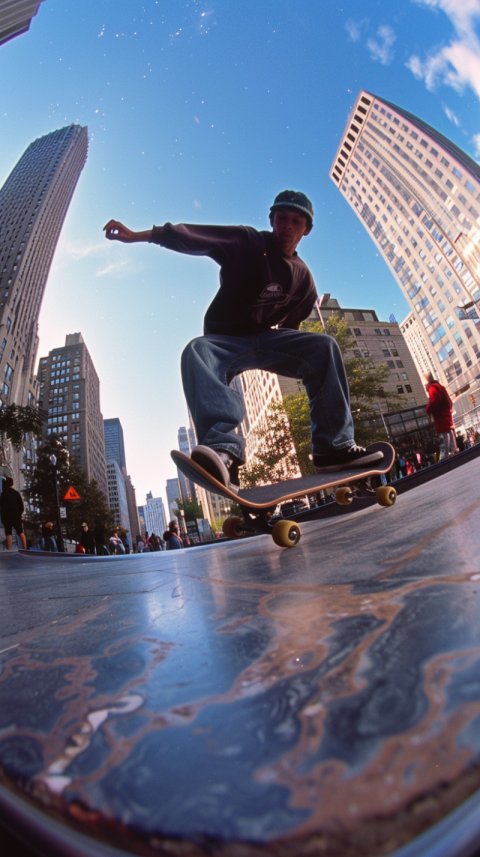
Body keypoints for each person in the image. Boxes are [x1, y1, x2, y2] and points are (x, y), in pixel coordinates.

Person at [104, 190, 384, 490]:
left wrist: (288, 355)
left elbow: (293, 328)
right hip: (226, 342)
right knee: (196, 351)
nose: (286, 226)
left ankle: (333, 447)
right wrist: (139, 236)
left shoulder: (304, 279)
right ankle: (223, 452)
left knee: (323, 347)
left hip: (267, 339)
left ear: (307, 229)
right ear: (272, 220)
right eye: (281, 218)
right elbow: (194, 236)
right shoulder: (248, 242)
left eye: (295, 221)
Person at [424, 372, 458, 458]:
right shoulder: (440, 386)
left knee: (444, 435)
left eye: (425, 383)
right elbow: (449, 401)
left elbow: (435, 400)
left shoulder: (433, 388)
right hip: (445, 415)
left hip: (441, 416)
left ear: (428, 382)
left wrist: (428, 409)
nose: (424, 386)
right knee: (449, 432)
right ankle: (453, 451)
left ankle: (447, 455)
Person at [0, 476, 27, 550]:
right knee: (20, 532)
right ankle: (25, 548)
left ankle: (9, 549)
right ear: (12, 484)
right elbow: (21, 506)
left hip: (6, 516)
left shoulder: (3, 494)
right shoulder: (16, 493)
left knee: (8, 533)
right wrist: (19, 514)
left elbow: (1, 506)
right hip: (15, 515)